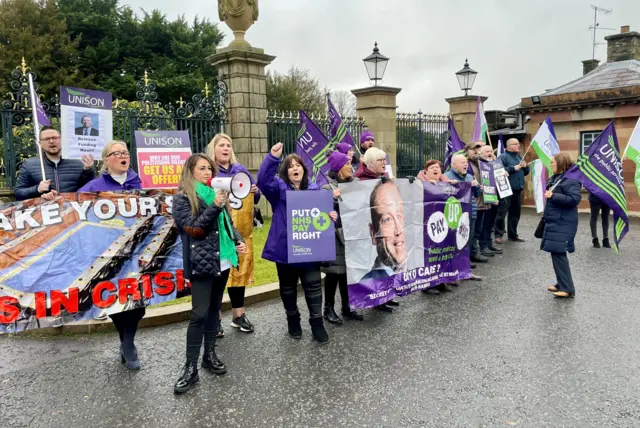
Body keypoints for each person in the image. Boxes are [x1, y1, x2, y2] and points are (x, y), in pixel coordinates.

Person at [172, 153, 246, 394]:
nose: (208, 173)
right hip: (201, 263)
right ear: (190, 171)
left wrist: (238, 240)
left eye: (210, 169)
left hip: (222, 260)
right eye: (202, 168)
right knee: (199, 314)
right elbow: (194, 229)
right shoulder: (183, 198)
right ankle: (190, 368)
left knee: (215, 310)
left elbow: (227, 224)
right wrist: (214, 206)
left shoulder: (216, 195)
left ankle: (209, 355)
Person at [257, 142, 337, 343]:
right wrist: (273, 158)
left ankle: (316, 322)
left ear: (303, 169)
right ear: (286, 171)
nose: (295, 168)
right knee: (288, 287)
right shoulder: (278, 188)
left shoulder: (314, 188)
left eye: (298, 165)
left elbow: (321, 215)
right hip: (285, 249)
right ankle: (293, 319)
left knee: (313, 285)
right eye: (290, 165)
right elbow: (263, 180)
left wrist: (330, 215)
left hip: (310, 248)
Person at [78, 141, 143, 370]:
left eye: (125, 153)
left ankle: (128, 342)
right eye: (117, 153)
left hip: (137, 251)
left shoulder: (139, 183)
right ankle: (127, 345)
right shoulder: (93, 186)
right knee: (116, 299)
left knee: (139, 302)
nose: (123, 156)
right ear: (106, 160)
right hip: (108, 253)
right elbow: (74, 211)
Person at [207, 133, 261, 336]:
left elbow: (255, 198)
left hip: (241, 232)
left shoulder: (241, 170)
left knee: (239, 273)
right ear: (214, 149)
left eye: (229, 145)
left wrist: (255, 190)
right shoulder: (209, 170)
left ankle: (239, 315)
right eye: (221, 145)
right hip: (218, 233)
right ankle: (216, 318)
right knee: (219, 275)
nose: (226, 148)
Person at [352, 147, 399, 312]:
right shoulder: (360, 179)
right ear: (370, 163)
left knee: (385, 261)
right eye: (380, 160)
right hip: (369, 228)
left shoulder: (384, 178)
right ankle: (373, 297)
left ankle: (384, 295)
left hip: (385, 224)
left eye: (385, 160)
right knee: (372, 264)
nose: (384, 163)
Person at [321, 151, 364, 324]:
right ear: (339, 168)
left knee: (348, 272)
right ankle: (328, 309)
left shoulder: (355, 184)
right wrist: (332, 199)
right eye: (347, 165)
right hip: (335, 236)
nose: (351, 167)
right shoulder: (327, 187)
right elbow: (322, 211)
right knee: (333, 273)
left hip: (352, 234)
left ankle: (347, 307)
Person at [14, 126, 95, 201]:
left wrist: (87, 171)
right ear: (40, 143)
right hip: (44, 212)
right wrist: (37, 190)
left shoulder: (79, 162)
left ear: (61, 140)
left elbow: (91, 189)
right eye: (46, 139)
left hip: (72, 211)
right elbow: (18, 193)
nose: (51, 141)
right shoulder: (29, 164)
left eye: (55, 138)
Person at [542, 153, 581, 299]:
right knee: (555, 252)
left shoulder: (570, 180)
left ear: (560, 163)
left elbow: (574, 199)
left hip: (563, 222)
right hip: (555, 221)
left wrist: (553, 196)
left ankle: (568, 289)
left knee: (559, 254)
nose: (550, 164)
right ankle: (561, 283)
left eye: (552, 162)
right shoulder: (558, 178)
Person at [417, 159, 457, 294]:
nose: (436, 169)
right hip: (426, 224)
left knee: (442, 253)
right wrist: (428, 186)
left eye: (438, 168)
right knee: (429, 254)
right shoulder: (418, 183)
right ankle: (427, 285)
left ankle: (440, 281)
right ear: (426, 171)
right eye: (432, 167)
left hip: (442, 224)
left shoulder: (446, 183)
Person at [445, 154, 482, 281]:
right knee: (454, 244)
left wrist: (476, 186)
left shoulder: (470, 176)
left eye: (466, 162)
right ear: (453, 164)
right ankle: (452, 271)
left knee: (467, 242)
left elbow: (477, 194)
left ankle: (465, 271)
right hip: (455, 216)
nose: (465, 164)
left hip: (470, 213)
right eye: (462, 162)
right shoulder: (447, 177)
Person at [496, 138, 529, 243]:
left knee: (515, 213)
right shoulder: (503, 157)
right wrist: (514, 168)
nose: (518, 145)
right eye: (516, 144)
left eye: (518, 144)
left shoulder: (519, 157)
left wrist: (525, 166)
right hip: (506, 190)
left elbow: (525, 172)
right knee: (502, 213)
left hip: (517, 189)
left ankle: (513, 234)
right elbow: (499, 170)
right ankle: (498, 234)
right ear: (509, 146)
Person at [464, 142, 489, 265]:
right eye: (473, 149)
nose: (476, 151)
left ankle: (475, 252)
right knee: (471, 231)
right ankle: (471, 254)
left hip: (483, 199)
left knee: (478, 229)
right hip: (473, 200)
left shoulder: (480, 163)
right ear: (467, 150)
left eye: (478, 149)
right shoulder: (466, 163)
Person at [477, 145, 503, 257]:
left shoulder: (494, 163)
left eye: (491, 151)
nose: (489, 153)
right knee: (484, 223)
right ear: (481, 153)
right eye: (487, 151)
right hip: (485, 198)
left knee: (490, 224)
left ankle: (489, 243)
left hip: (495, 196)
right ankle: (483, 246)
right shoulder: (480, 164)